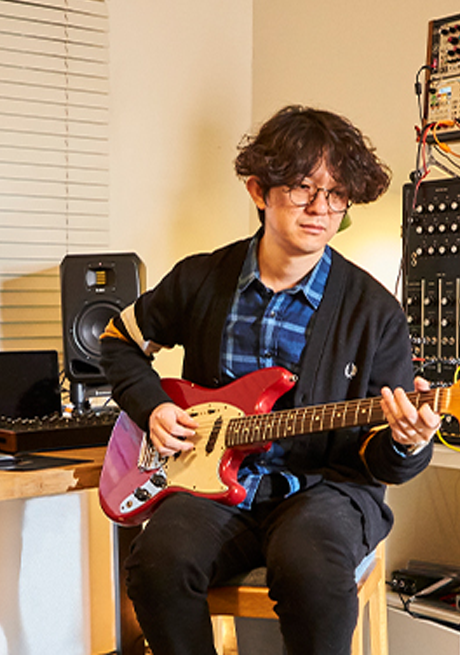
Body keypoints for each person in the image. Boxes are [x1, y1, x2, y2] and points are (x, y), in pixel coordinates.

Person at [100, 105, 442, 655]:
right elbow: (117, 340)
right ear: (259, 190)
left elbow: (381, 460)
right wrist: (152, 409)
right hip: (209, 485)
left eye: (336, 195)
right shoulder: (203, 277)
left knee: (314, 577)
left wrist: (409, 442)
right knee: (157, 566)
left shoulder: (374, 311)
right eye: (303, 189)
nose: (320, 209)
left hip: (323, 489)